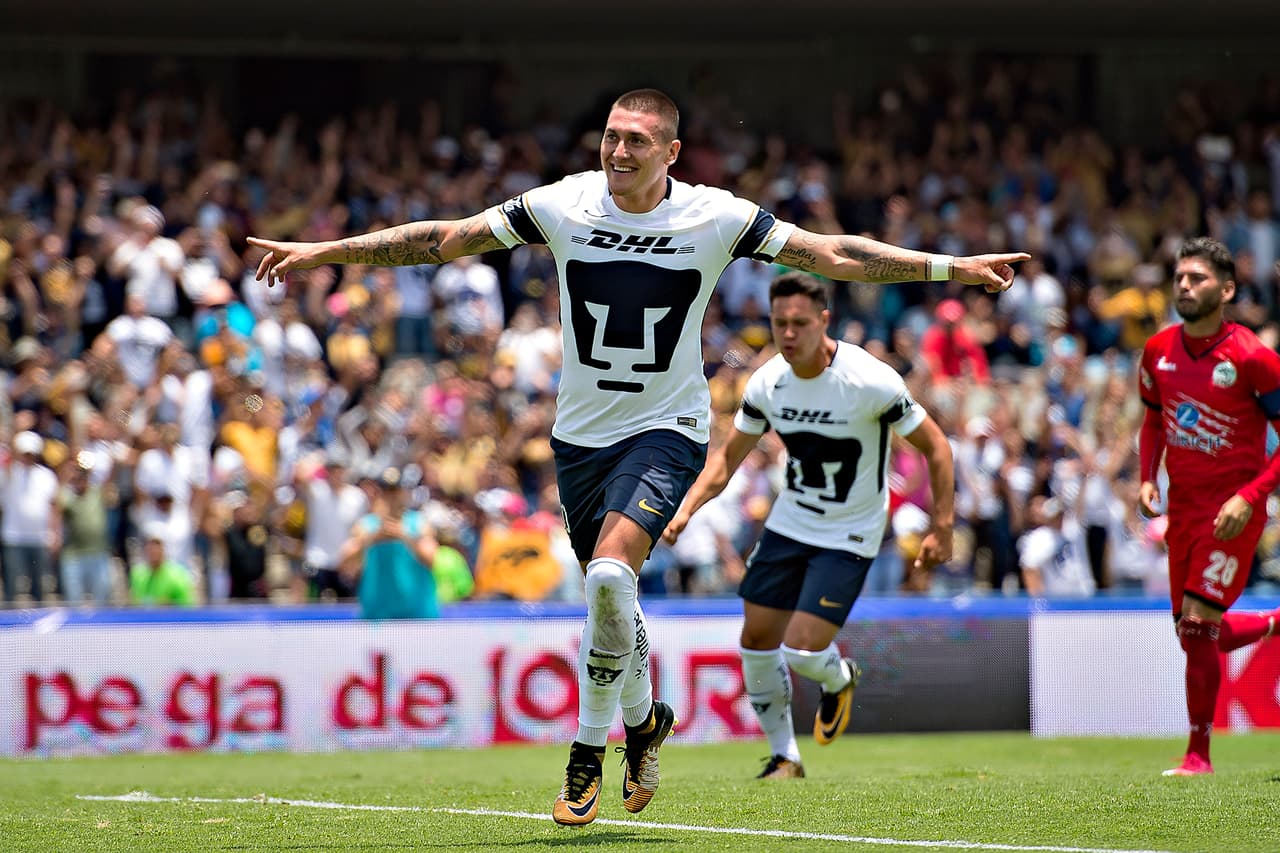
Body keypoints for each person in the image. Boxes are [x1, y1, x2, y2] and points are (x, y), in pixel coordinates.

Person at [248, 88, 1026, 825]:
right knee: (609, 600)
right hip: (579, 437)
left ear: (672, 152)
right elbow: (442, 241)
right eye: (612, 136)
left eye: (637, 140)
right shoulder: (562, 203)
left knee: (612, 575)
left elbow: (833, 255)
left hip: (668, 430)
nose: (618, 150)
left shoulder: (716, 216)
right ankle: (646, 721)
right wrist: (322, 253)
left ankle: (587, 757)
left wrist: (949, 268)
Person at [664, 271, 955, 780]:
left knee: (801, 649)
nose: (789, 334)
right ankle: (785, 757)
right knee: (755, 640)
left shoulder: (871, 380)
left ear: (824, 320)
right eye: (780, 324)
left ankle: (839, 677)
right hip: (791, 522)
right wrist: (686, 509)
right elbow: (726, 461)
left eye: (800, 322)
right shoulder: (766, 382)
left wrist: (944, 526)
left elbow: (937, 446)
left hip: (851, 531)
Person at [1137, 237, 1280, 777]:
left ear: (1226, 289)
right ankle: (1274, 623)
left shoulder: (1253, 358)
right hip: (1184, 511)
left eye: (1196, 278)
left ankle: (1199, 755)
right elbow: (1153, 419)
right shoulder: (1158, 351)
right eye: (1179, 277)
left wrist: (1250, 496)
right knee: (1193, 634)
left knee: (1199, 625)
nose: (1184, 285)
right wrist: (1146, 479)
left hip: (1232, 512)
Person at [337, 467, 440, 620]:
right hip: (377, 616)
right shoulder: (366, 525)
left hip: (417, 615)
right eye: (386, 492)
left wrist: (406, 537)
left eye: (395, 492)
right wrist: (372, 539)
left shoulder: (419, 523)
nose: (391, 498)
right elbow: (344, 562)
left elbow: (433, 559)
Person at [129, 524, 196, 606]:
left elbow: (187, 607)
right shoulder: (138, 574)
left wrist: (169, 605)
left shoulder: (178, 575)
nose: (154, 550)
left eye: (157, 545)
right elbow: (135, 605)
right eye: (150, 545)